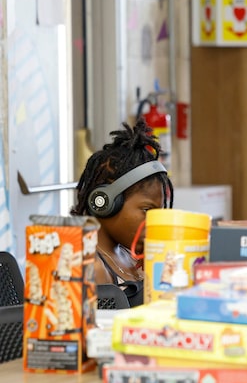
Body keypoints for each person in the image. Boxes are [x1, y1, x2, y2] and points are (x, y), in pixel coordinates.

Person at [70, 118, 174, 306]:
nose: (154, 222)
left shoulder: (129, 254)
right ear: (105, 202)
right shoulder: (92, 266)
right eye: (147, 210)